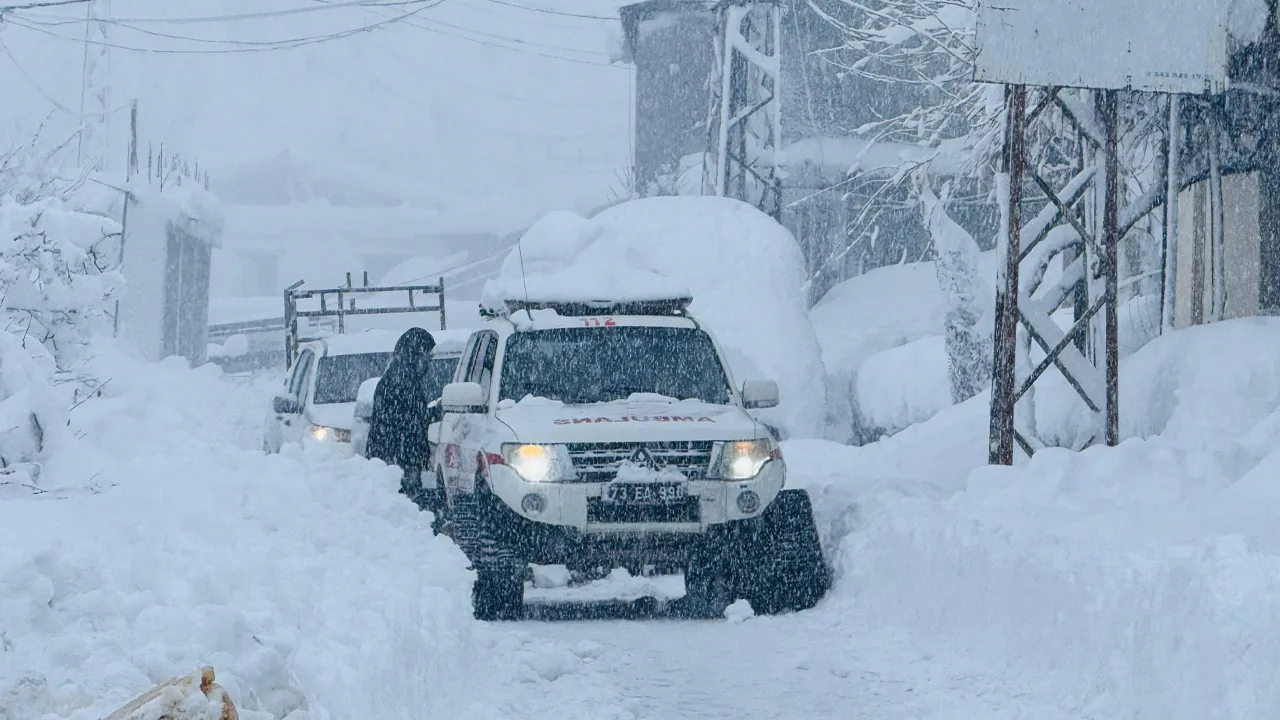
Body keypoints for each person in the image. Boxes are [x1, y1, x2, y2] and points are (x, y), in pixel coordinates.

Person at [365, 327, 442, 504]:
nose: (428, 363)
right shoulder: (401, 381)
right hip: (398, 460)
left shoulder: (399, 376)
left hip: (396, 456)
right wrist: (436, 412)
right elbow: (410, 420)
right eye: (427, 357)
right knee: (403, 507)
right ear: (416, 354)